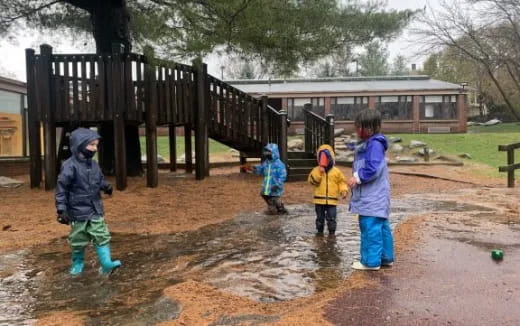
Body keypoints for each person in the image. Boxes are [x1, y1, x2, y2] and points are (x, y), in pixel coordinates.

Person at [55, 127, 122, 275]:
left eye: (96, 145)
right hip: (77, 211)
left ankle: (106, 263)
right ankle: (77, 263)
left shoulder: (94, 165)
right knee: (78, 239)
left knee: (101, 234)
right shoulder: (69, 165)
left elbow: (99, 179)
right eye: (91, 145)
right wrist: (61, 208)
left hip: (95, 208)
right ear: (79, 144)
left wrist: (106, 186)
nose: (95, 148)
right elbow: (62, 188)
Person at [348, 109, 394, 271]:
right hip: (378, 197)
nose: (357, 131)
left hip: (372, 197)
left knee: (369, 227)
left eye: (359, 127)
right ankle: (385, 257)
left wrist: (357, 177)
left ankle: (370, 261)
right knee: (381, 226)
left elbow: (373, 168)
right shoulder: (372, 143)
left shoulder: (374, 144)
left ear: (368, 128)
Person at [307, 144, 349, 236]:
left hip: (332, 200)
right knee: (320, 218)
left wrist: (343, 191)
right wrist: (319, 173)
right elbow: (312, 181)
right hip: (319, 200)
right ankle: (319, 232)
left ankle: (332, 233)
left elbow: (342, 182)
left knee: (332, 218)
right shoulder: (316, 170)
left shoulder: (336, 171)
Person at [244, 143, 288, 215]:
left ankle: (281, 209)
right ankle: (272, 207)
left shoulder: (279, 164)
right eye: (266, 152)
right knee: (264, 195)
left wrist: (278, 184)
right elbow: (260, 169)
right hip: (266, 185)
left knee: (275, 198)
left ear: (274, 152)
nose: (266, 153)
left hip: (275, 185)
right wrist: (254, 168)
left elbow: (283, 175)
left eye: (268, 152)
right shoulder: (266, 163)